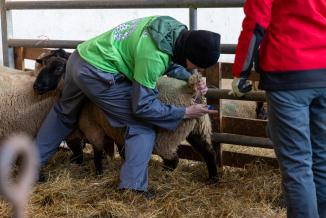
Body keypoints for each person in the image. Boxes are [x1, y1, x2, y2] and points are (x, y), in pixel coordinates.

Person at [36, 16, 220, 198]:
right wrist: (185, 112)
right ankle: (133, 189)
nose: (198, 70)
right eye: (197, 65)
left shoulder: (170, 27)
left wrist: (189, 77)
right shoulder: (153, 56)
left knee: (63, 112)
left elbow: (170, 59)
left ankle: (31, 166)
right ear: (188, 54)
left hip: (80, 58)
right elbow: (143, 106)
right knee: (142, 126)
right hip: (97, 74)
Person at [231, 0, 326, 217]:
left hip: (288, 72)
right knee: (322, 158)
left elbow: (256, 22)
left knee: (297, 165)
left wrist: (241, 72)